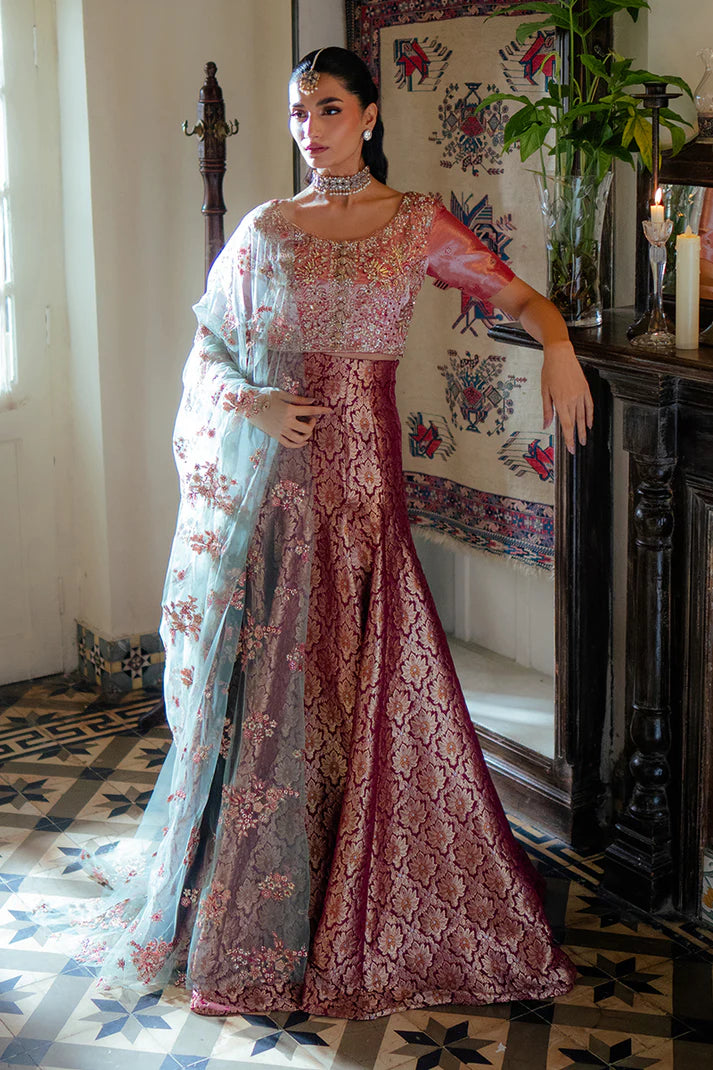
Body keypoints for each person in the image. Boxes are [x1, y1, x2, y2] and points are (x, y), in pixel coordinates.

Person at [65, 46, 590, 1019]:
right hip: (276, 496)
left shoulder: (416, 223)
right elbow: (208, 347)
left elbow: (516, 296)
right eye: (299, 112)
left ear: (369, 115)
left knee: (366, 674)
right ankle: (263, 889)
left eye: (331, 109)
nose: (311, 129)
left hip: (364, 496)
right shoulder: (267, 227)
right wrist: (254, 402)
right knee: (276, 684)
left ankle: (361, 876)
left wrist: (556, 345)